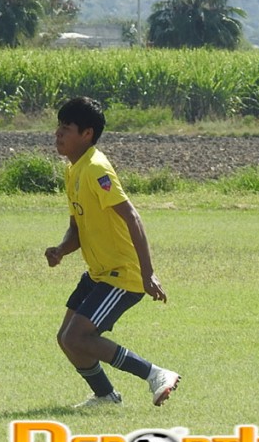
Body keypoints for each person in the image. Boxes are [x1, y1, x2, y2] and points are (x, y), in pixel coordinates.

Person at [45, 96, 180, 407]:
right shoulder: (73, 170)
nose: (58, 133)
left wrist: (148, 274)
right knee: (66, 339)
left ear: (87, 134)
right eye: (58, 126)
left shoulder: (96, 168)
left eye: (66, 128)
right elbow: (77, 227)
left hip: (122, 274)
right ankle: (105, 396)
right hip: (98, 273)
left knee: (78, 337)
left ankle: (156, 374)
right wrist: (61, 250)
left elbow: (132, 216)